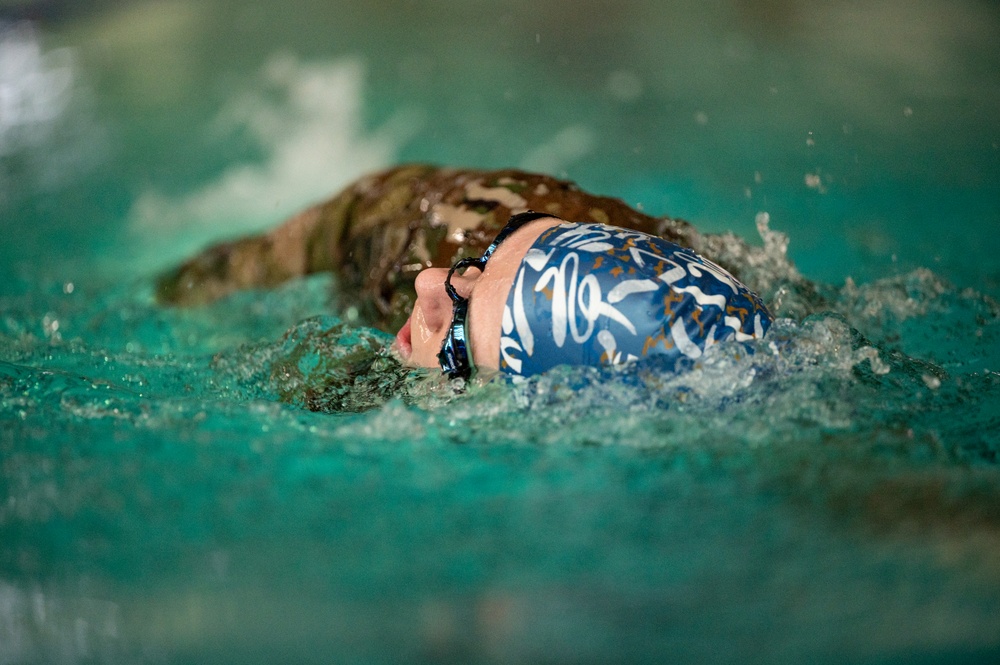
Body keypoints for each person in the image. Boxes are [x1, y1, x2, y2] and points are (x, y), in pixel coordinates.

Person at [158, 165, 774, 380]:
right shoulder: (404, 265)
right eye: (464, 274)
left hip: (523, 238)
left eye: (456, 328)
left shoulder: (715, 297)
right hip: (392, 212)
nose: (430, 284)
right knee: (182, 292)